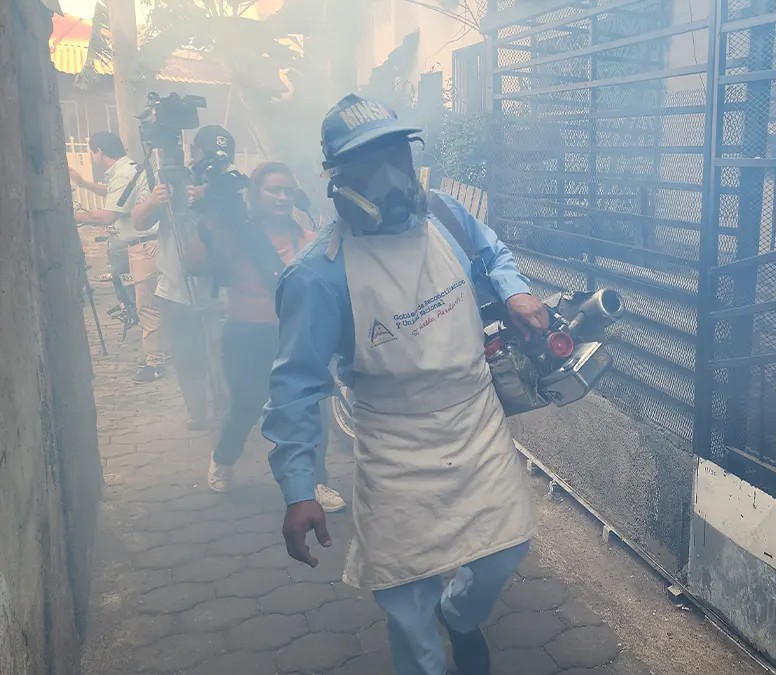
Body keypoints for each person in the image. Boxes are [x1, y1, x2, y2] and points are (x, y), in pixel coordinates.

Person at [263, 94, 546, 675]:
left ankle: (461, 615)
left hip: (474, 417)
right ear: (337, 178)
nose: (392, 176)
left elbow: (491, 249)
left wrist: (514, 286)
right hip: (393, 438)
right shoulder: (316, 274)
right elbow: (295, 385)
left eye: (397, 153)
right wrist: (298, 488)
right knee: (406, 593)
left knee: (506, 547)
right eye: (371, 163)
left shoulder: (443, 214)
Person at [184, 161, 346, 512]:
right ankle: (224, 457)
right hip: (245, 335)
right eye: (273, 189)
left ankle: (315, 482)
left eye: (287, 190)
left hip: (292, 336)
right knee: (246, 404)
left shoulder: (305, 237)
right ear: (255, 194)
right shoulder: (236, 233)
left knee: (310, 407)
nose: (282, 197)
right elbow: (195, 265)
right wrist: (209, 222)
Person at [131, 126, 227, 430]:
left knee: (220, 354)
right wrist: (155, 201)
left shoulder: (229, 187)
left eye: (217, 157)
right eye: (204, 154)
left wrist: (209, 197)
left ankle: (225, 408)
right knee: (186, 358)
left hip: (216, 292)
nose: (209, 163)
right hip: (174, 291)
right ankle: (196, 412)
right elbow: (138, 220)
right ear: (193, 152)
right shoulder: (173, 182)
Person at [72, 131, 165, 383]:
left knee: (148, 307)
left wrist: (73, 216)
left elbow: (108, 216)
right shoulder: (126, 170)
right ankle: (156, 354)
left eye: (92, 152)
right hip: (145, 245)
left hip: (144, 245)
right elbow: (118, 197)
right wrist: (84, 184)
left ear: (99, 151)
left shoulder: (124, 173)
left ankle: (155, 362)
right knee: (150, 304)